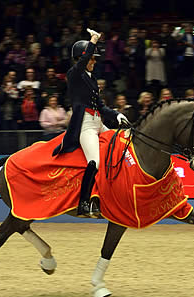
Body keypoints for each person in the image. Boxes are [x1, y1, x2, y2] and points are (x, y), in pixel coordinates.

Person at [52, 28, 127, 217]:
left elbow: (100, 106)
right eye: (92, 58)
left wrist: (116, 115)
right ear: (80, 58)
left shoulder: (92, 79)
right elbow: (84, 61)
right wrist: (94, 39)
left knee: (119, 146)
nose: (94, 61)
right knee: (95, 161)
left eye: (94, 58)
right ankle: (84, 202)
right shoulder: (74, 74)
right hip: (85, 124)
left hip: (98, 121)